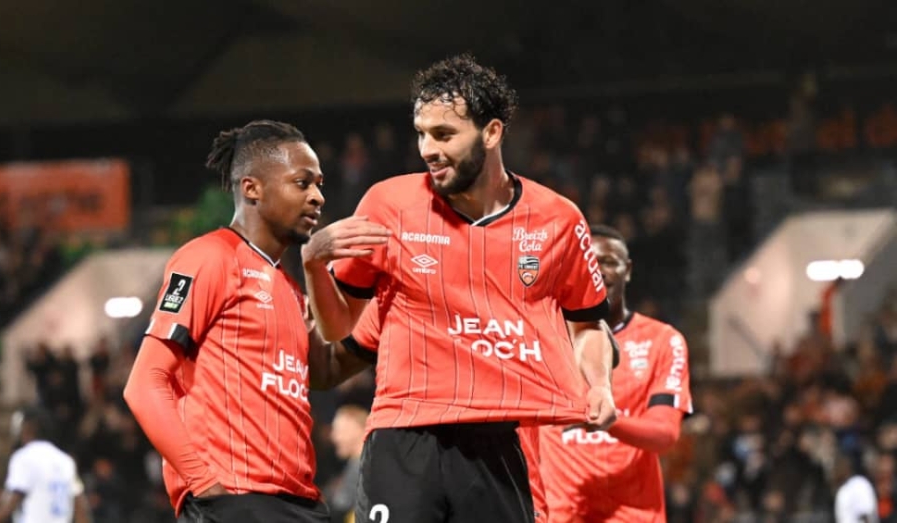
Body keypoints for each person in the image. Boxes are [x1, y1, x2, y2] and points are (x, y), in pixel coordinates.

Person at [302, 54, 617, 523]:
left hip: (496, 439)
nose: (428, 148)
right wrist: (312, 266)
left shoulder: (558, 219)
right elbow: (337, 327)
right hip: (403, 435)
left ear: (491, 133)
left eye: (444, 134)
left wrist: (601, 384)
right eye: (422, 134)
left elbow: (587, 324)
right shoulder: (388, 204)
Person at [124, 120, 373, 522]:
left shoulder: (289, 288)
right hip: (238, 498)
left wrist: (386, 313)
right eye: (302, 183)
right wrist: (205, 484)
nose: (318, 197)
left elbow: (323, 372)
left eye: (319, 184)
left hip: (301, 501)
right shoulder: (208, 258)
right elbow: (144, 383)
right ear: (252, 188)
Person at [340, 299, 550, 521]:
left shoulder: (508, 302)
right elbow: (332, 359)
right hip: (408, 438)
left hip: (492, 446)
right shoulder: (396, 296)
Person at [539, 225, 693, 522]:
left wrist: (607, 419)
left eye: (609, 262)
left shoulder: (662, 340)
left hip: (632, 514)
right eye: (589, 262)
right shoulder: (543, 338)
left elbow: (665, 434)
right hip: (559, 514)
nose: (600, 271)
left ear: (628, 270)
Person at [0, 407, 90, 523]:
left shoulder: (24, 457)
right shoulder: (66, 461)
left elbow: (10, 505)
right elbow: (80, 509)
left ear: (29, 427)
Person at [326, 405, 369, 523]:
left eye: (339, 431)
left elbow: (338, 508)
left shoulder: (360, 466)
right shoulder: (362, 462)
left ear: (357, 429)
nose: (333, 437)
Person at [833, 452, 879, 523]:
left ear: (847, 467)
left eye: (838, 466)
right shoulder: (843, 489)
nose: (836, 470)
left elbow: (866, 514)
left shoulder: (859, 483)